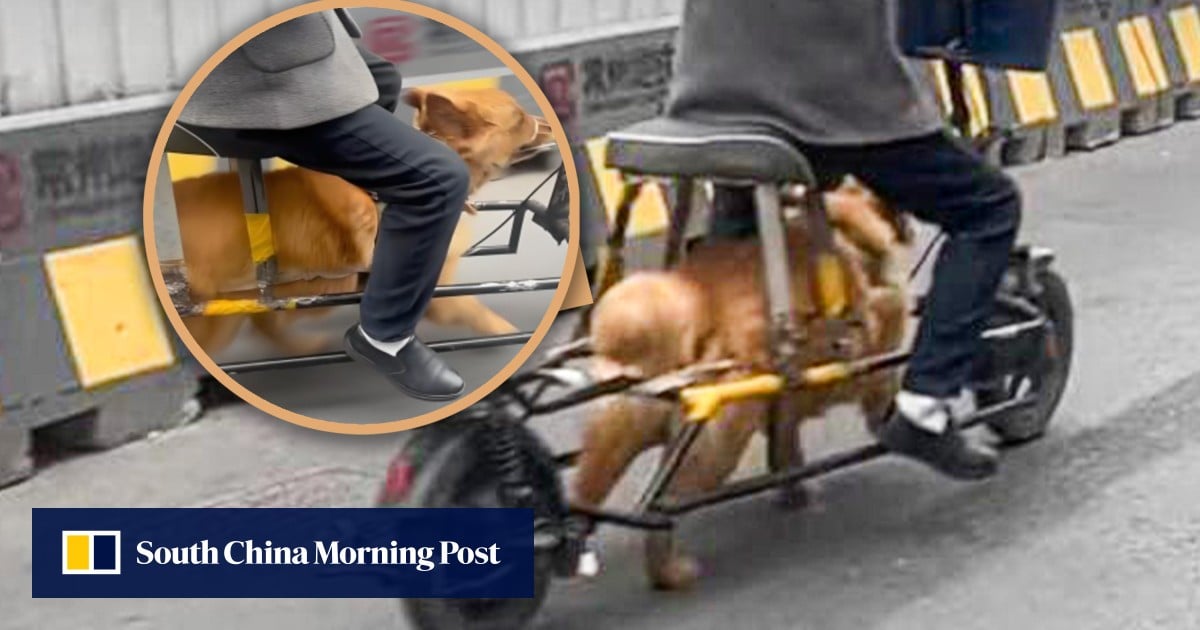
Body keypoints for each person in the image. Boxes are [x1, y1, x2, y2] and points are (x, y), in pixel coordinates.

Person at [667, 0, 1022, 480]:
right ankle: (923, 407)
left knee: (740, 246)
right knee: (990, 208)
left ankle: (707, 358)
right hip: (830, 105)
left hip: (706, 99)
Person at [177, 9, 470, 401]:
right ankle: (386, 338)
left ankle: (385, 245)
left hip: (279, 46)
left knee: (382, 77)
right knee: (440, 178)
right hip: (255, 81)